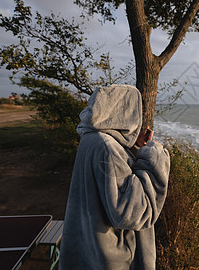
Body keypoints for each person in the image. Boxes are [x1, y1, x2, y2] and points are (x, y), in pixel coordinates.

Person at [60, 84, 170, 269]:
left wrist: (135, 148)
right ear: (123, 110)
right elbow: (132, 212)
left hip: (90, 247)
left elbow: (113, 183)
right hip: (115, 258)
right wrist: (154, 156)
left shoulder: (91, 137)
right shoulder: (108, 148)